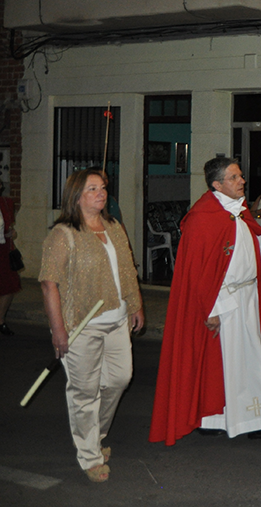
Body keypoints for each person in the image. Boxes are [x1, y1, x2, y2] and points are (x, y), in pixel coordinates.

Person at [149, 157, 261, 445]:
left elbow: (253, 250)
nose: (242, 181)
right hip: (224, 301)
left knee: (247, 361)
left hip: (247, 298)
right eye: (235, 177)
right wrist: (211, 309)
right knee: (227, 363)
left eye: (240, 176)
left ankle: (243, 417)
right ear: (217, 184)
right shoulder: (203, 217)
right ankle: (228, 418)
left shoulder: (239, 212)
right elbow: (198, 272)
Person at [38, 169, 144, 482]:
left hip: (117, 320)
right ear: (76, 196)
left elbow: (127, 268)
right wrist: (58, 329)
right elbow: (48, 284)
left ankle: (95, 434)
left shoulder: (112, 226)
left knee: (119, 379)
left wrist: (134, 303)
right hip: (80, 325)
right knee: (84, 392)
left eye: (102, 188)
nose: (101, 193)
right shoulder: (63, 234)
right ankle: (89, 455)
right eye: (92, 189)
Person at [0, 182, 22, 336]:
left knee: (9, 285)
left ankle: (0, 321)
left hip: (3, 249)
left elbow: (10, 228)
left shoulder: (6, 203)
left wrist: (11, 234)